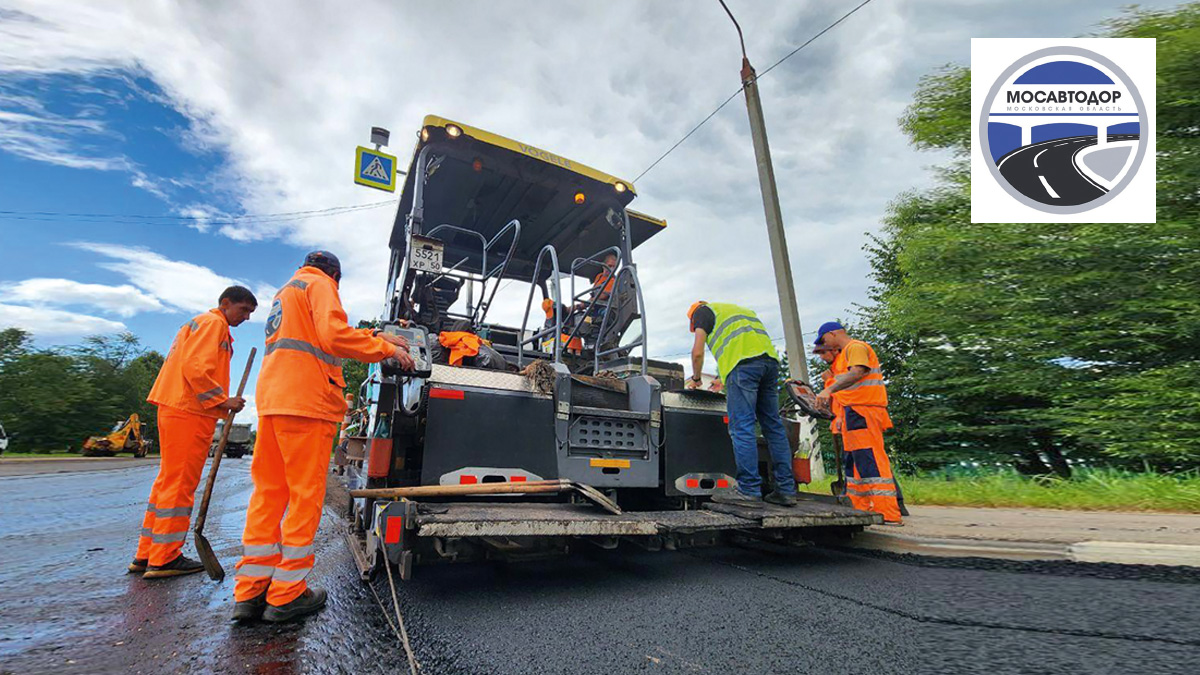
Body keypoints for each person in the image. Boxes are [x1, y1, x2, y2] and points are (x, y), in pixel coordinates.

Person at [233, 251, 415, 623]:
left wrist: (373, 335)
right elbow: (333, 336)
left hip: (274, 400)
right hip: (307, 404)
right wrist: (386, 348)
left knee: (269, 494)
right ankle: (286, 595)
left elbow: (320, 335)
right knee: (304, 497)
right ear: (336, 274)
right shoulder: (322, 285)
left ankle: (251, 591)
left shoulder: (288, 290)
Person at [132, 286, 257, 578]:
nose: (246, 317)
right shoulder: (214, 323)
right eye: (243, 310)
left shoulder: (202, 323)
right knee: (179, 485)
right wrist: (221, 400)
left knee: (167, 482)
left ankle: (147, 554)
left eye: (250, 313)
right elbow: (195, 367)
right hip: (189, 410)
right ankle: (164, 558)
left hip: (178, 407)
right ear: (225, 304)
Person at [685, 301, 797, 507]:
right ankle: (786, 490)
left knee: (741, 427)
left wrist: (696, 377)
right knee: (773, 427)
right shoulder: (741, 311)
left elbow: (698, 352)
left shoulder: (702, 312)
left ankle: (748, 490)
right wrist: (722, 378)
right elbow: (745, 345)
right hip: (769, 364)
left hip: (743, 367)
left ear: (693, 318)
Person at [814, 322, 902, 524]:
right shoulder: (844, 356)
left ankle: (887, 512)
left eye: (824, 340)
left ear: (833, 333)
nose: (824, 346)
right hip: (854, 412)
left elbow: (858, 372)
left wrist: (828, 389)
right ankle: (858, 507)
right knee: (855, 462)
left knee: (871, 461)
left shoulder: (856, 347)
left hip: (864, 410)